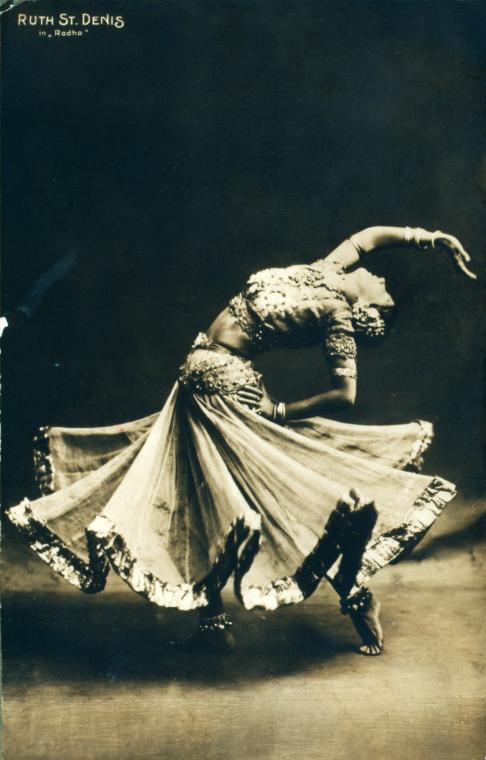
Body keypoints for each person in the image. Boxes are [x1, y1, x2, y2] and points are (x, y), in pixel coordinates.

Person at [6, 225, 475, 656]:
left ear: (367, 310)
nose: (383, 279)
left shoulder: (337, 315)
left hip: (223, 391)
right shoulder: (329, 269)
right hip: (195, 382)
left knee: (258, 498)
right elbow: (370, 237)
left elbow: (346, 394)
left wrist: (280, 411)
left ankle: (355, 595)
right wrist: (431, 239)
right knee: (199, 496)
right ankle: (216, 623)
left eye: (385, 292)